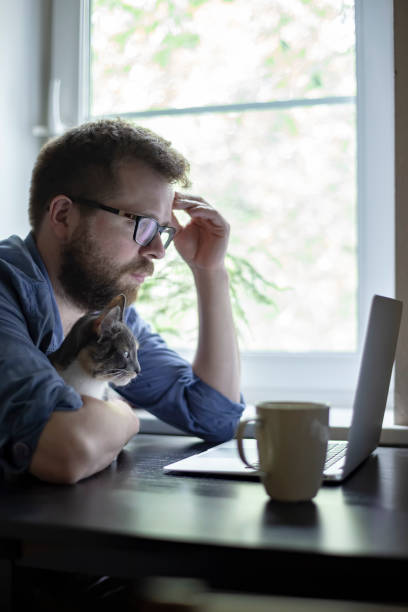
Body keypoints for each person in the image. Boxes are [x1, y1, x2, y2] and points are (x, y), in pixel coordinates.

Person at [0, 118, 244, 485]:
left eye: (163, 230)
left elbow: (216, 416)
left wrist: (209, 272)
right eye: (143, 224)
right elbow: (68, 449)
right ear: (63, 215)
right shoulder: (6, 291)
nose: (160, 250)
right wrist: (125, 416)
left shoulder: (102, 316)